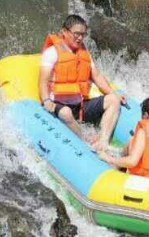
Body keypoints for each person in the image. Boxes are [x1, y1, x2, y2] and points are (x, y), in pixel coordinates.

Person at [38, 14, 125, 150]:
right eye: (76, 34)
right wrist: (46, 100)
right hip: (60, 105)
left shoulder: (84, 53)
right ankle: (84, 143)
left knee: (113, 100)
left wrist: (113, 94)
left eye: (83, 35)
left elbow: (97, 77)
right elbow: (42, 81)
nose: (80, 38)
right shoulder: (52, 52)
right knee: (66, 112)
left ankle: (102, 141)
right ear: (64, 32)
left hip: (80, 107)